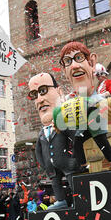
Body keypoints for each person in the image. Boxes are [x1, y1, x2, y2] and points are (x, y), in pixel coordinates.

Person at [57, 41, 111, 171]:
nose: (74, 65)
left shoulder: (96, 94)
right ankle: (83, 166)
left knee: (100, 140)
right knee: (79, 141)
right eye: (68, 61)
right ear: (64, 70)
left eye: (79, 58)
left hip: (94, 117)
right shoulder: (72, 97)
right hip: (84, 120)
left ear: (91, 63)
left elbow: (99, 100)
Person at [29, 72, 83, 210]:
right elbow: (38, 152)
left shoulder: (64, 123)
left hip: (67, 162)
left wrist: (74, 157)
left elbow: (75, 138)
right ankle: (61, 200)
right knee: (55, 183)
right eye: (34, 95)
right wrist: (45, 165)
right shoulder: (41, 133)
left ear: (59, 92)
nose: (39, 100)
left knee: (72, 180)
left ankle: (79, 199)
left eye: (43, 91)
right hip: (52, 166)